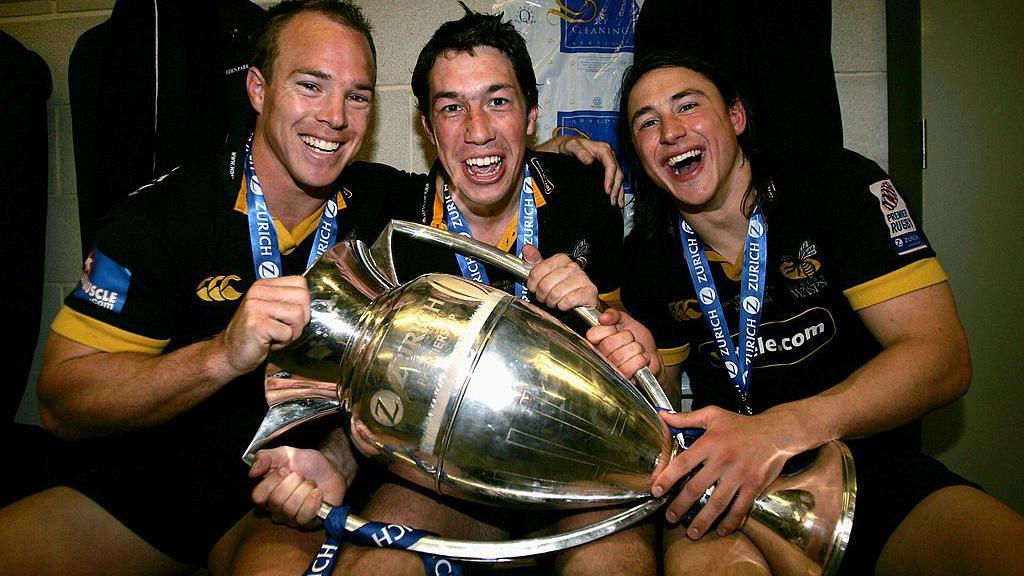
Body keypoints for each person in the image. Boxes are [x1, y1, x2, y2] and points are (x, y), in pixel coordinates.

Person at [0, 2, 623, 574]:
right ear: (257, 88)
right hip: (148, 484)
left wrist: (562, 151)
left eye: (356, 96)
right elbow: (59, 403)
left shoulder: (387, 207)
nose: (333, 117)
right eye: (309, 85)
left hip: (291, 490)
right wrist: (220, 356)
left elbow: (480, 175)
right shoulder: (164, 216)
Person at [249, 7, 654, 576]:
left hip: (578, 468)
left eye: (498, 101)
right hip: (447, 487)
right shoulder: (383, 215)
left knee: (614, 565)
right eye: (451, 107)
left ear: (531, 114)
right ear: (426, 126)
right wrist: (340, 455)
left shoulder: (584, 194)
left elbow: (632, 359)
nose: (478, 130)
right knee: (376, 569)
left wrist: (612, 333)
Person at [585, 51, 1024, 576]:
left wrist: (777, 430)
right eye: (647, 123)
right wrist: (641, 371)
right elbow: (665, 424)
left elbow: (943, 359)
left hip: (874, 475)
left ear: (736, 117)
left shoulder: (835, 189)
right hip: (728, 494)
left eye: (688, 106)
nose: (671, 131)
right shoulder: (648, 257)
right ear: (638, 152)